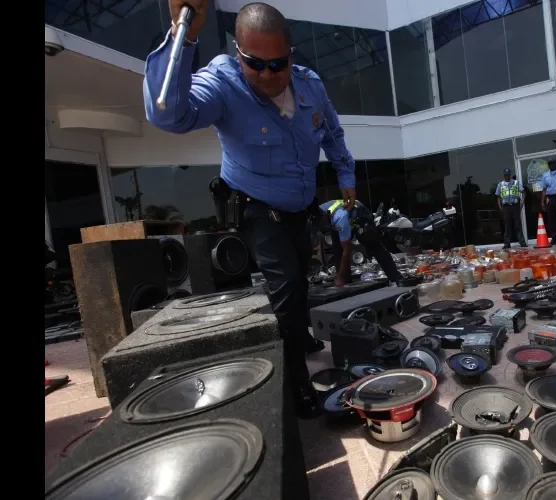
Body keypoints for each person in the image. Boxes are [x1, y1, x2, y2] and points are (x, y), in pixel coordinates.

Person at [144, 1, 357, 418]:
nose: (267, 75)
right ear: (238, 54)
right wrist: (184, 36)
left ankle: (300, 338)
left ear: (290, 55)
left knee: (301, 278)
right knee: (286, 287)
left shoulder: (310, 85)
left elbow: (332, 133)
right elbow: (169, 114)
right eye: (254, 64)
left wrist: (345, 173)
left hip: (301, 206)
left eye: (277, 64)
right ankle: (296, 383)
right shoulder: (223, 83)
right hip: (258, 207)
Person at [312, 198, 403, 285]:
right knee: (337, 250)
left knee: (374, 246)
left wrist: (340, 278)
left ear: (323, 217)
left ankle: (396, 277)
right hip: (340, 217)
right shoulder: (316, 211)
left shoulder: (339, 217)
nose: (322, 229)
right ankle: (345, 281)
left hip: (359, 215)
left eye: (322, 225)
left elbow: (347, 250)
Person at [496, 168, 528, 249]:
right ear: (504, 175)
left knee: (518, 225)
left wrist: (522, 203)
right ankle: (507, 244)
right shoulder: (500, 184)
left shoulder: (516, 182)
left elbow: (524, 192)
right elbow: (498, 197)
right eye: (505, 175)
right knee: (507, 226)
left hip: (515, 206)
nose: (507, 176)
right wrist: (500, 207)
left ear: (510, 175)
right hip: (506, 207)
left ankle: (522, 242)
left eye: (508, 174)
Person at [538, 160, 556, 245]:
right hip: (551, 198)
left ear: (555, 163)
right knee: (552, 220)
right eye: (549, 164)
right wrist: (542, 202)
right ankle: (554, 238)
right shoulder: (545, 175)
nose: (551, 165)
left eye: (552, 163)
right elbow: (544, 189)